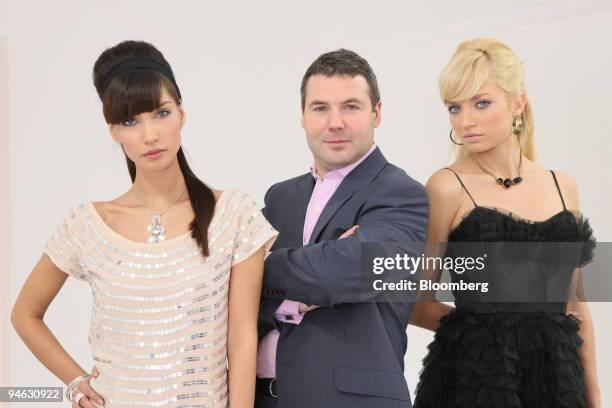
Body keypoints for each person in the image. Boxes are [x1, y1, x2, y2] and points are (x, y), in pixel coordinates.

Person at [11, 40, 277, 408]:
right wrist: (75, 382)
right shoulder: (89, 224)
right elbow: (25, 314)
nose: (149, 134)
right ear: (113, 132)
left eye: (161, 113)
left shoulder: (233, 215)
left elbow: (242, 339)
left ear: (182, 115)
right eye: (130, 121)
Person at [410, 38, 601, 407]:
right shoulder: (447, 186)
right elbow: (418, 304)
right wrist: (491, 336)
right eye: (454, 107)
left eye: (481, 103)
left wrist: (595, 398)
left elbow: (576, 309)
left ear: (518, 102)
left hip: (557, 385)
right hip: (474, 382)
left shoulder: (563, 187)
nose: (466, 120)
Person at [255, 49, 429, 408]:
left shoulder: (401, 193)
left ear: (376, 113)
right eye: (320, 108)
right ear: (302, 116)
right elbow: (232, 291)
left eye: (351, 107)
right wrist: (308, 282)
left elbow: (349, 273)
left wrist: (260, 264)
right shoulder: (279, 198)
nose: (335, 122)